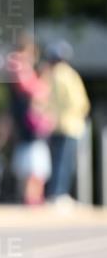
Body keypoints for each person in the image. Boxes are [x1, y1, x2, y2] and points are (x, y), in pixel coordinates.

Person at [6, 35, 53, 205]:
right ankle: (31, 197)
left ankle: (34, 196)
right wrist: (42, 88)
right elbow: (29, 89)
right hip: (29, 123)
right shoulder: (18, 65)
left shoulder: (20, 67)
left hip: (30, 122)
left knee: (36, 162)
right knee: (33, 162)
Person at [43, 41, 91, 201]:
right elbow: (79, 102)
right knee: (64, 162)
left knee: (56, 161)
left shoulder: (49, 74)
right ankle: (59, 194)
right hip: (70, 125)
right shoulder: (69, 75)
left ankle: (54, 193)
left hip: (53, 125)